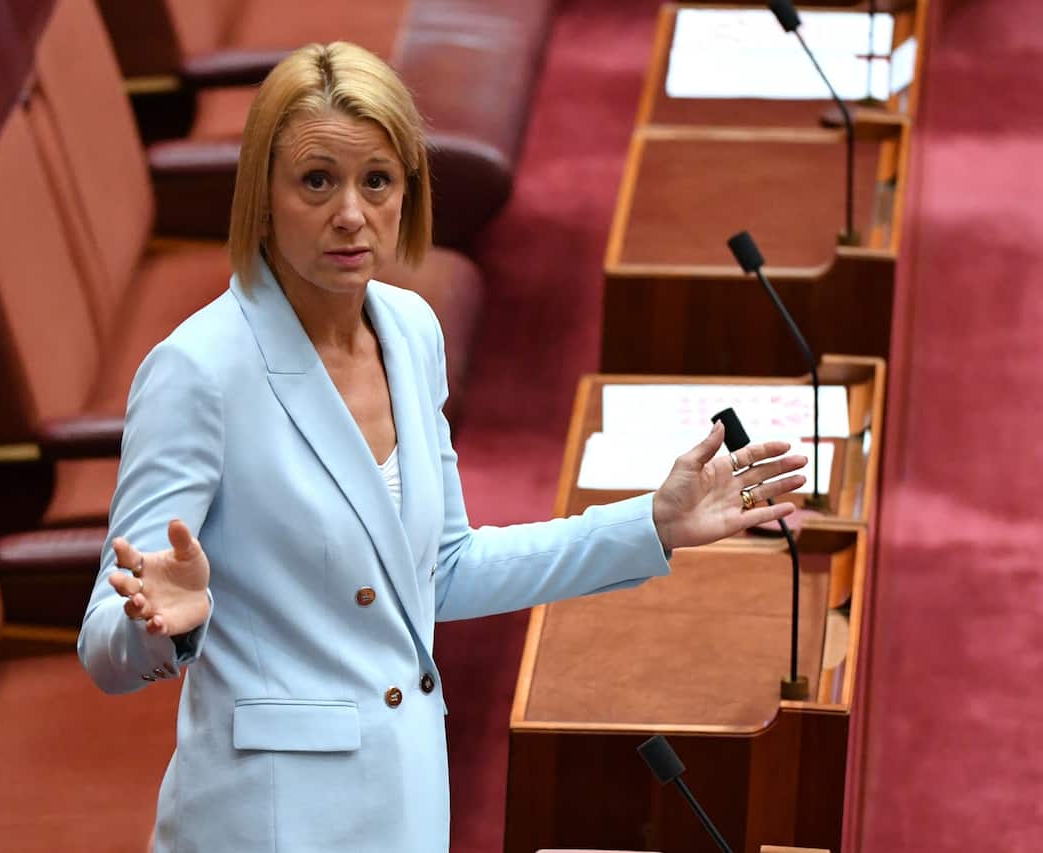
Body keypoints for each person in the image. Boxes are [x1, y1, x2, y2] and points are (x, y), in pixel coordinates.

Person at [77, 41, 806, 853]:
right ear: (262, 194)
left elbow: (443, 571)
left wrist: (651, 525)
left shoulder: (410, 330)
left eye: (376, 181)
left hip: (405, 796)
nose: (350, 212)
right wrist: (167, 626)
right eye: (317, 180)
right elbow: (106, 643)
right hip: (269, 821)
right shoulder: (198, 372)